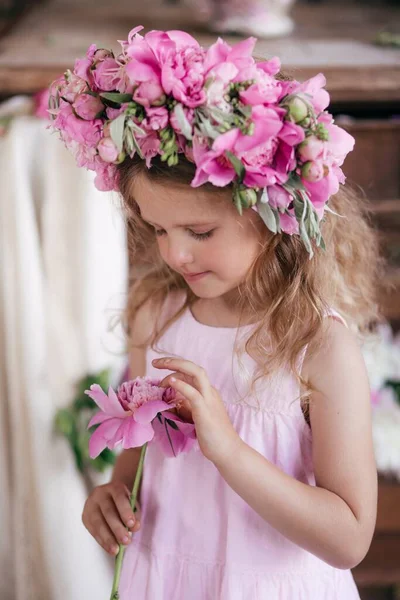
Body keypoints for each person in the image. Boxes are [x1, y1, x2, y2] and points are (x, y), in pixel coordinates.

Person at [51, 26, 379, 599]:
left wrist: (227, 449)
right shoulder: (156, 316)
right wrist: (111, 492)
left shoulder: (318, 347)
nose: (173, 254)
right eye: (157, 229)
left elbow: (349, 539)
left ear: (271, 217)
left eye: (200, 231)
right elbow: (137, 464)